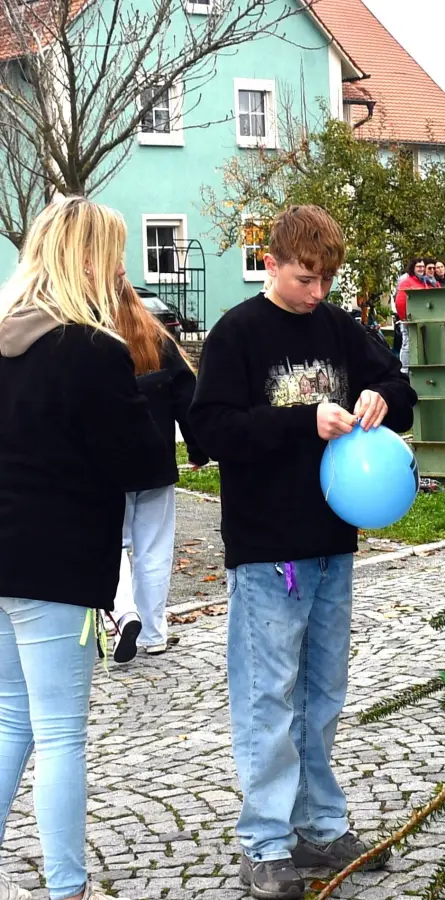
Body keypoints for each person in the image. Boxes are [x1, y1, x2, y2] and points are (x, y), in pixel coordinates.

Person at [189, 205, 418, 900]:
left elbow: (402, 391)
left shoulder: (340, 327)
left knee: (322, 695)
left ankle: (319, 826)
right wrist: (299, 421)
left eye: (325, 279)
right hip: (266, 549)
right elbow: (210, 430)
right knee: (268, 697)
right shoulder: (238, 332)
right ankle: (264, 842)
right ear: (273, 262)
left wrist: (380, 395)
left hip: (331, 543)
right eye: (305, 277)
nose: (317, 291)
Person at [0, 197, 170, 900]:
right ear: (90, 261)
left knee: (12, 720)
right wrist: (151, 401)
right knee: (62, 734)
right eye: (118, 254)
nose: (124, 270)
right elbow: (140, 465)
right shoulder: (91, 351)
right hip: (60, 566)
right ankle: (65, 887)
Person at [107, 281, 208, 662]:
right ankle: (154, 631)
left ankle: (121, 615)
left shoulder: (93, 340)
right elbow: (188, 395)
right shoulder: (157, 339)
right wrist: (199, 448)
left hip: (106, 465)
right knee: (153, 549)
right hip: (155, 458)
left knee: (110, 545)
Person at [393, 258, 430, 365]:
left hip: (422, 319)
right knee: (408, 345)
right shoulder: (406, 282)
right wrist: (404, 318)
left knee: (420, 345)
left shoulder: (424, 282)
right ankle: (404, 369)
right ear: (413, 268)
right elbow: (400, 302)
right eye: (418, 267)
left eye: (423, 267)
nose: (421, 269)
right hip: (409, 320)